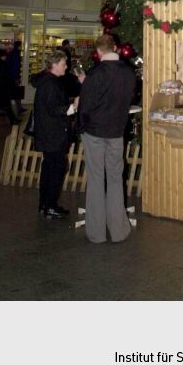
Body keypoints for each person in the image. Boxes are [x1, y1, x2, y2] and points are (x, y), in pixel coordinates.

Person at [77, 33, 136, 244]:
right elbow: (129, 98)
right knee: (115, 179)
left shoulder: (96, 74)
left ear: (98, 51)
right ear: (115, 48)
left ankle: (97, 233)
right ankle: (119, 230)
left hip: (95, 131)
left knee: (95, 179)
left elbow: (85, 105)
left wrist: (81, 126)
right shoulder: (128, 73)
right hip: (116, 131)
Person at [31, 50, 71, 218]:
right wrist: (71, 109)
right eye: (63, 64)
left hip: (47, 133)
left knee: (49, 168)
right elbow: (54, 109)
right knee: (56, 169)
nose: (66, 67)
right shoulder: (51, 83)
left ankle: (45, 204)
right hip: (54, 133)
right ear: (54, 65)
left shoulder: (46, 81)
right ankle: (50, 206)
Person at [6, 40, 25, 115]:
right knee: (15, 93)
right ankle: (15, 109)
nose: (21, 47)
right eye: (21, 46)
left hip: (10, 77)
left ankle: (18, 108)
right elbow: (15, 67)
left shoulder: (11, 53)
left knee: (15, 93)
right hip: (13, 78)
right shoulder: (15, 54)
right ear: (18, 46)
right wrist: (17, 78)